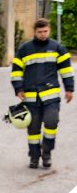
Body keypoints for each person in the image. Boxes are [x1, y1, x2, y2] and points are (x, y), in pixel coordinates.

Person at [11, 17, 74, 168]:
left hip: (51, 96)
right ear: (34, 32)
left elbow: (66, 71)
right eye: (40, 32)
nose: (43, 34)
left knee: (52, 122)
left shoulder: (57, 48)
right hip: (31, 97)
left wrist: (69, 89)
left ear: (49, 30)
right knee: (33, 129)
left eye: (45, 31)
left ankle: (46, 152)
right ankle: (34, 157)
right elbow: (16, 71)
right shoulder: (24, 49)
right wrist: (18, 88)